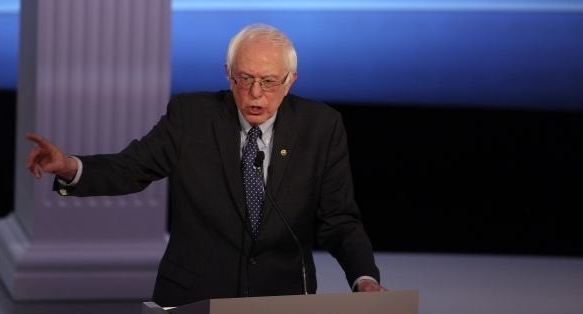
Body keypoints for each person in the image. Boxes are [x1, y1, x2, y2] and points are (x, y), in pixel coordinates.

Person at [25, 23, 386, 307]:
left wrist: (364, 277)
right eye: (244, 79)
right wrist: (70, 166)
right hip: (195, 296)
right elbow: (131, 167)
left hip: (283, 297)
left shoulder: (321, 127)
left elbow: (338, 219)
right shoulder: (190, 117)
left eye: (268, 81)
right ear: (228, 74)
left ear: (291, 81)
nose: (255, 93)